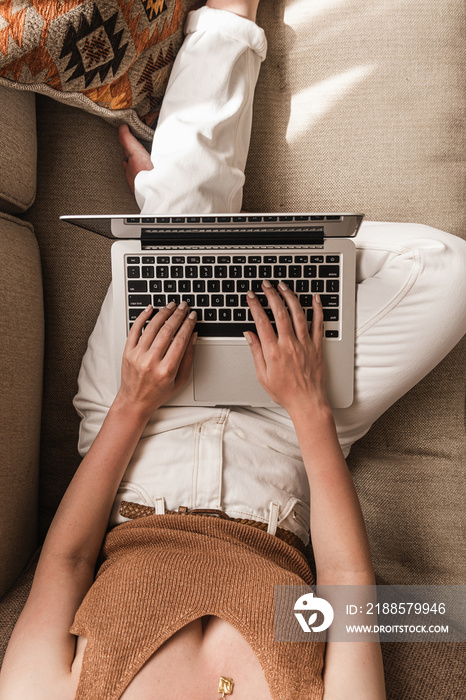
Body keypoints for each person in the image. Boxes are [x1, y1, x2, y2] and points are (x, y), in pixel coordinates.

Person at [1, 1, 465, 698]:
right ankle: (190, 220)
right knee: (449, 272)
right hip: (287, 446)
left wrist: (133, 400)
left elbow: (64, 562)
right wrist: (308, 405)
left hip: (140, 434)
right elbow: (347, 589)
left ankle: (188, 205)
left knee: (182, 221)